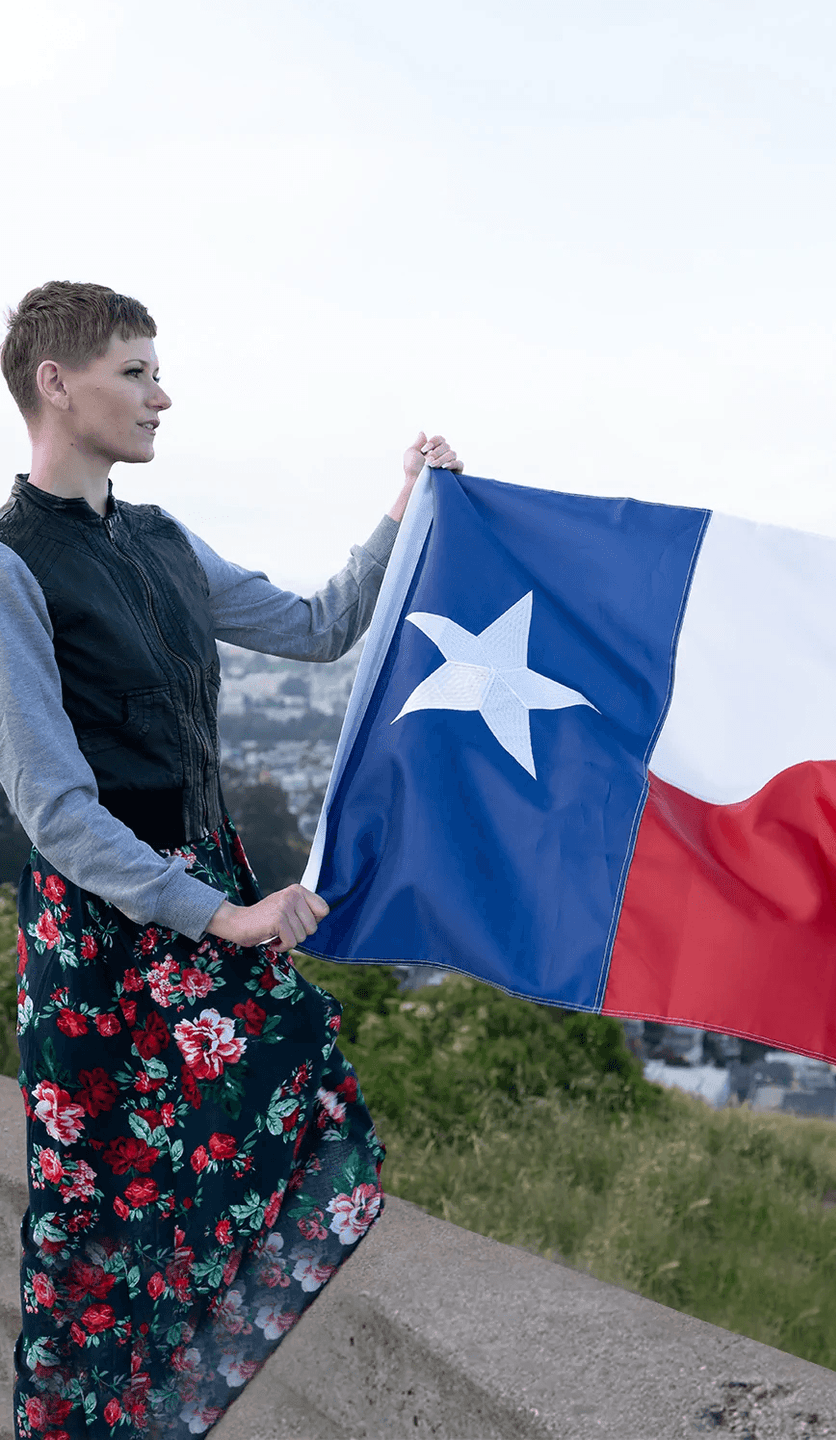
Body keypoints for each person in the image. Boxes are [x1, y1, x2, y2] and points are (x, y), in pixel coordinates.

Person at [0, 281, 463, 1438]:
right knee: (96, 1224)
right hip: (109, 931)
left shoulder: (158, 539)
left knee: (288, 1132)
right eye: (136, 370)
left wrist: (404, 512)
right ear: (56, 383)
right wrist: (225, 915)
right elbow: (54, 808)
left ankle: (156, 1417)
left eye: (158, 369)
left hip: (200, 904)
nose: (163, 394)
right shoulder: (9, 565)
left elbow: (315, 626)